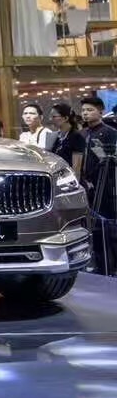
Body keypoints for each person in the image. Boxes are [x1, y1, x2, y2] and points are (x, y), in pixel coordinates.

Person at [79, 96, 117, 275]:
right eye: (83, 110)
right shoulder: (81, 134)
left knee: (105, 226)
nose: (85, 113)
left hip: (105, 186)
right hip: (86, 186)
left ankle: (109, 265)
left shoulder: (110, 132)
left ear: (101, 111)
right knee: (91, 226)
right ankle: (95, 263)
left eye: (90, 110)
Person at [49, 103, 86, 175]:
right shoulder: (57, 136)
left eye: (54, 116)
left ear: (66, 118)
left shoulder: (76, 137)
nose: (51, 119)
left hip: (69, 177)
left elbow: (76, 167)